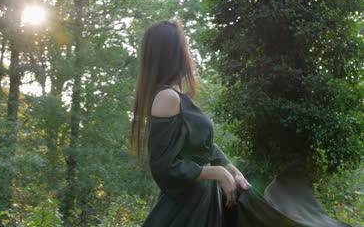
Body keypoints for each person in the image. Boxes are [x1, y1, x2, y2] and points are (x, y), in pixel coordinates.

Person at [129, 20, 353, 227]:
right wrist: (216, 173)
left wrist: (230, 169)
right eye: (184, 45)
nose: (187, 52)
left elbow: (203, 145)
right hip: (188, 210)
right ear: (173, 52)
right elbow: (164, 167)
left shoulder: (178, 96)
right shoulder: (167, 98)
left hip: (206, 202)